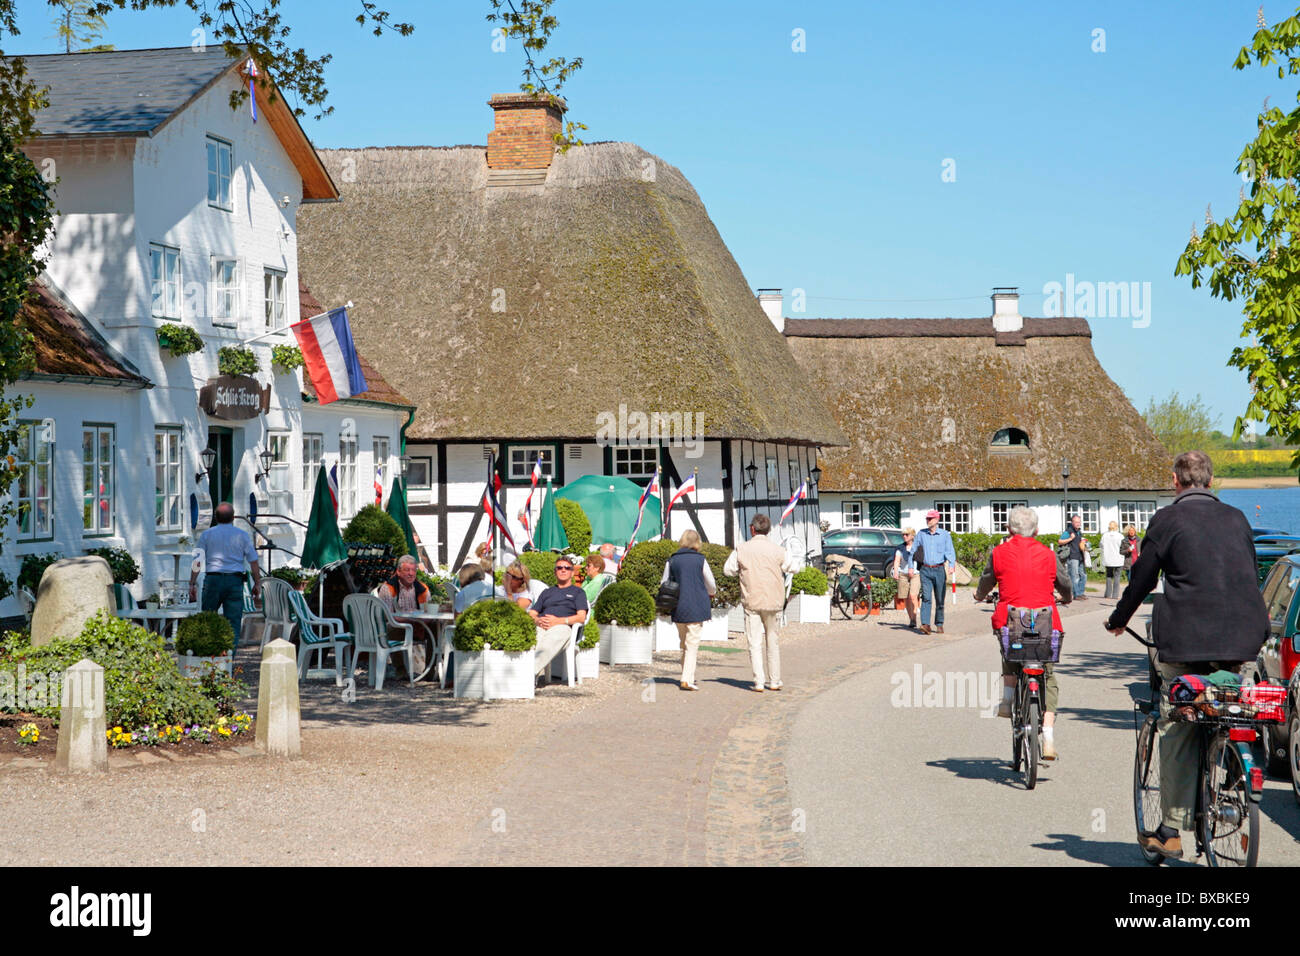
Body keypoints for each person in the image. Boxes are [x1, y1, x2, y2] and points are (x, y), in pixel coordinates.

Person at [1105, 450, 1269, 860]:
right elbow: (1247, 572)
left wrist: (1119, 619)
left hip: (1187, 638)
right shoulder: (1238, 518)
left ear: (1175, 482)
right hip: (1245, 634)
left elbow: (1142, 578)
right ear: (1211, 482)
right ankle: (1231, 765)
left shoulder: (1167, 520)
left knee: (1177, 720)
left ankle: (1170, 829)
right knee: (1230, 704)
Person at [974, 506, 1072, 759]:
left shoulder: (999, 553)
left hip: (1012, 619)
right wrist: (1067, 597)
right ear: (1037, 531)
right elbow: (1065, 583)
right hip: (1045, 622)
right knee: (1048, 675)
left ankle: (1007, 700)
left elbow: (986, 581)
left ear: (1009, 529)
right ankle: (1048, 735)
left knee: (1010, 649)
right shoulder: (1048, 555)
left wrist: (979, 595)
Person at [724, 513, 795, 692]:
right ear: (768, 530)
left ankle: (758, 681)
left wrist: (742, 571)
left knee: (754, 643)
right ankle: (775, 680)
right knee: (773, 641)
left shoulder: (742, 549)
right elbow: (794, 567)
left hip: (752, 600)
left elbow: (728, 570)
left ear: (752, 529)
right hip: (774, 601)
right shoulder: (778, 550)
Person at [189, 501, 261, 648]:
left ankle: (209, 654)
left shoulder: (207, 534)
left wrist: (192, 583)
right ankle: (229, 657)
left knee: (208, 619)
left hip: (213, 580)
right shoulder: (242, 535)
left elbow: (197, 560)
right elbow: (253, 561)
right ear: (233, 517)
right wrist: (257, 583)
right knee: (233, 621)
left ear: (215, 518)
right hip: (234, 581)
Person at [661, 530, 716, 691]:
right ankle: (686, 679)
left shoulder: (672, 560)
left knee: (684, 644)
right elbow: (711, 583)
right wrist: (711, 593)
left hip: (678, 606)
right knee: (692, 645)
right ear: (697, 542)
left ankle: (687, 676)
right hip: (696, 605)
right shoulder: (700, 560)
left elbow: (664, 582)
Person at [528, 556, 589, 680]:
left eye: (567, 568)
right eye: (559, 568)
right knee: (533, 639)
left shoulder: (578, 592)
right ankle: (529, 675)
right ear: (555, 572)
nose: (563, 570)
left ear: (572, 573)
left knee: (552, 638)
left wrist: (558, 621)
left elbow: (581, 617)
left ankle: (528, 674)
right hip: (541, 625)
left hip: (564, 627)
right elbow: (532, 613)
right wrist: (538, 620)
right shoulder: (547, 592)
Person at [908, 509, 956, 634]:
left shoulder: (945, 534)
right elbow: (912, 551)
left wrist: (951, 565)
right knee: (926, 597)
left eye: (930, 519)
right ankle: (925, 625)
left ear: (937, 520)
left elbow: (950, 551)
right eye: (927, 519)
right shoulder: (921, 534)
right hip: (925, 569)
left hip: (939, 569)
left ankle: (939, 623)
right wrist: (911, 566)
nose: (928, 521)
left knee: (940, 598)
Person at [891, 527, 921, 628]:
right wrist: (895, 571)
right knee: (906, 598)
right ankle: (912, 620)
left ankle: (916, 610)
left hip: (916, 574)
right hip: (903, 574)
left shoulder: (918, 547)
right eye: (903, 535)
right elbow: (896, 561)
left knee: (913, 595)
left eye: (906, 534)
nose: (904, 536)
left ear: (912, 536)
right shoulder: (900, 548)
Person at [1058, 514, 1089, 600]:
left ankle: (1081, 592)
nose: (1078, 524)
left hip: (1080, 556)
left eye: (1079, 522)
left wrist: (1083, 542)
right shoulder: (1068, 531)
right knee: (1074, 576)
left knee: (1083, 575)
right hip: (1072, 556)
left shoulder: (1079, 531)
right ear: (1072, 522)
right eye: (1076, 522)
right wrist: (1070, 539)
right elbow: (1059, 541)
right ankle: (1077, 594)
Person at [1100, 521, 1125, 599]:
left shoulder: (1105, 535)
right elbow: (1123, 546)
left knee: (1109, 576)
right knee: (1117, 577)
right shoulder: (1120, 536)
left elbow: (1101, 545)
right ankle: (1115, 595)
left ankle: (1107, 594)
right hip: (1118, 559)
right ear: (1116, 527)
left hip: (1108, 559)